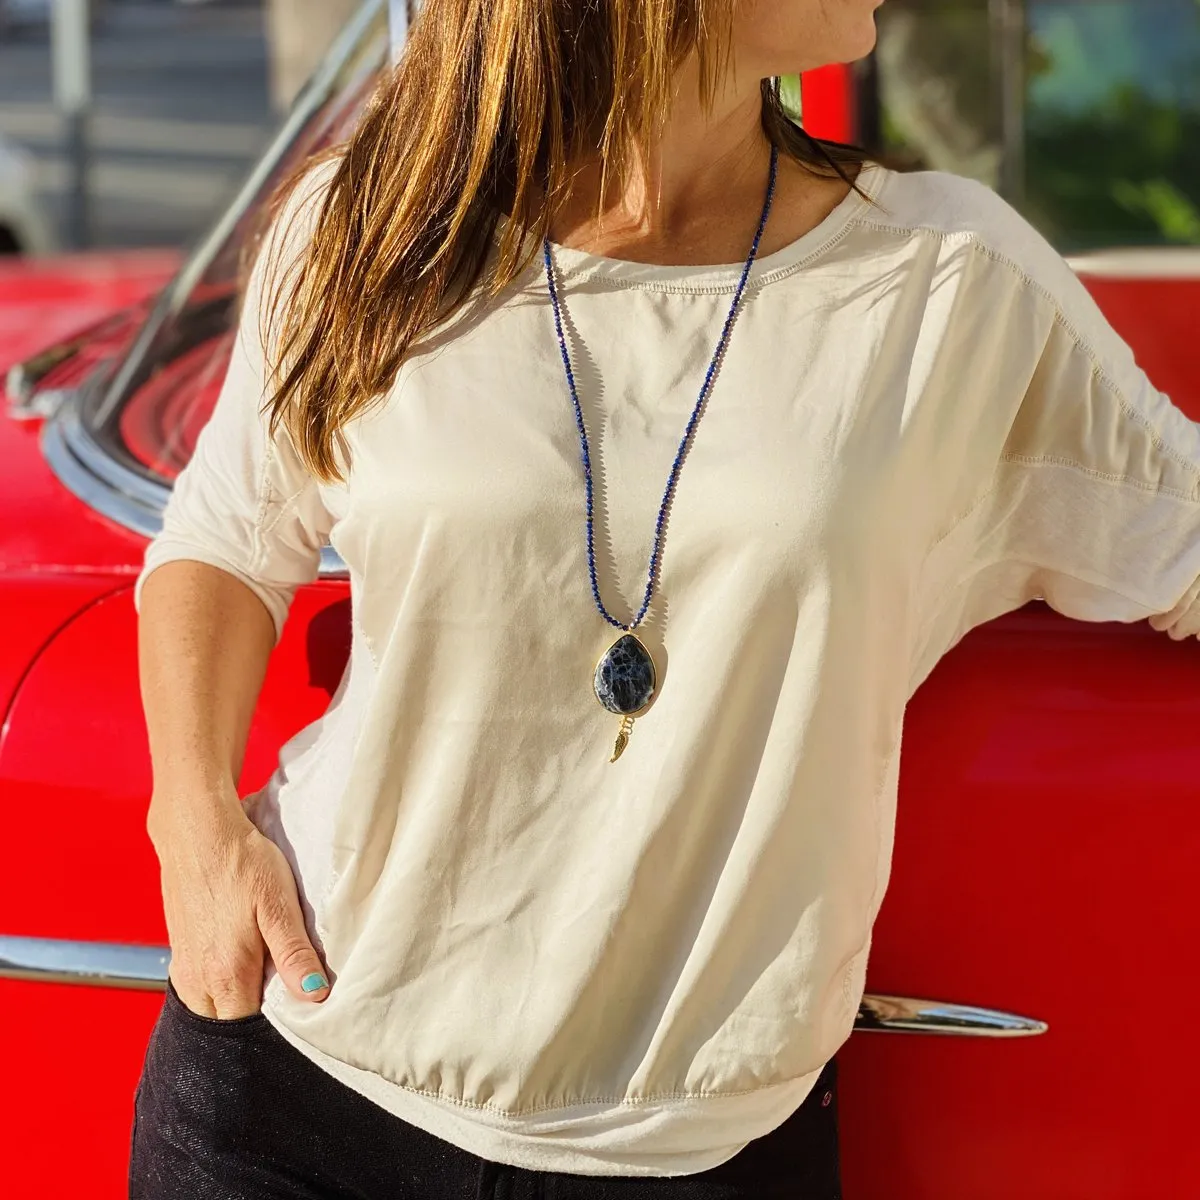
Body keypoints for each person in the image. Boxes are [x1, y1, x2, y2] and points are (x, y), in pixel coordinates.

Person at [127, 0, 1200, 1197]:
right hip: (301, 1092)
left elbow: (1184, 532)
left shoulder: (950, 278)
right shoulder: (372, 225)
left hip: (701, 1150)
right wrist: (194, 825)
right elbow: (224, 536)